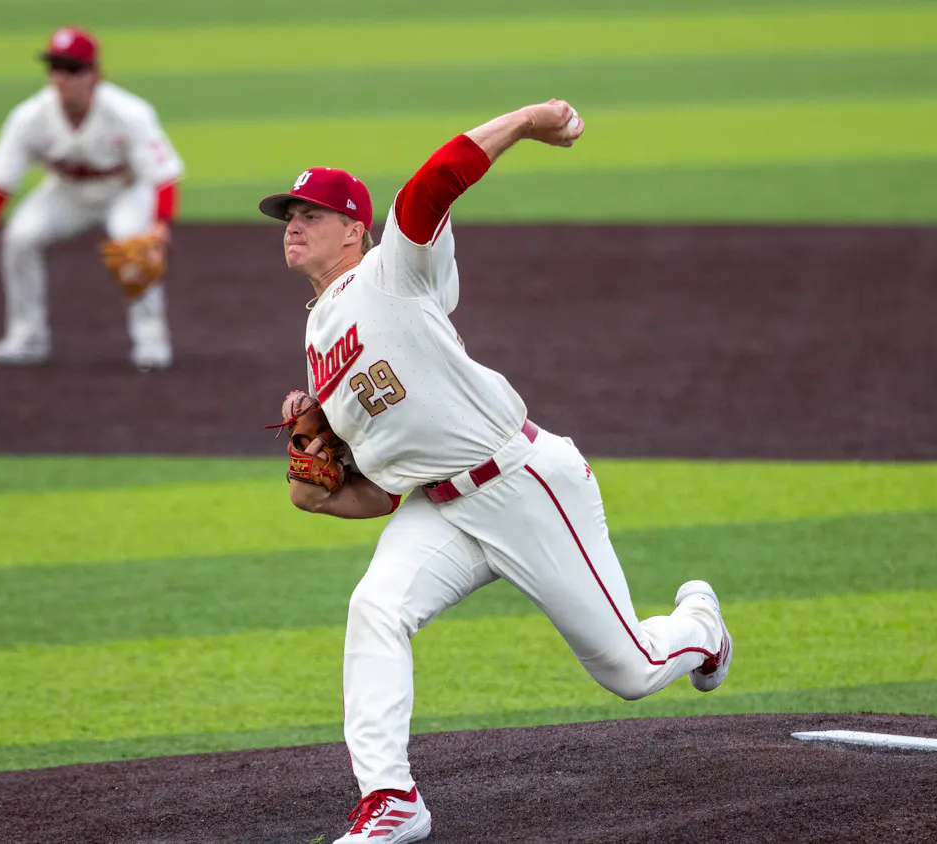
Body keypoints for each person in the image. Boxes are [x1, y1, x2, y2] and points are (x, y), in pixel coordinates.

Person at [258, 100, 733, 844]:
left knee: (630, 671)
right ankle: (391, 800)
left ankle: (700, 626)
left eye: (312, 212)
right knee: (376, 609)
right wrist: (315, 494)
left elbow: (429, 188)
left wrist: (526, 120)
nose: (293, 222)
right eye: (288, 212)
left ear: (355, 228)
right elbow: (380, 492)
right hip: (439, 509)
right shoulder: (318, 344)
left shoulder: (394, 272)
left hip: (522, 482)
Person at [0, 26, 184, 369]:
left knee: (135, 247)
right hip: (65, 191)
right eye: (55, 67)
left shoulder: (130, 113)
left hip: (124, 192)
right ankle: (27, 338)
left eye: (72, 68)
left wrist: (161, 224)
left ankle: (151, 341)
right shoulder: (29, 118)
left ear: (95, 74)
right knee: (20, 237)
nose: (62, 77)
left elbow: (164, 176)